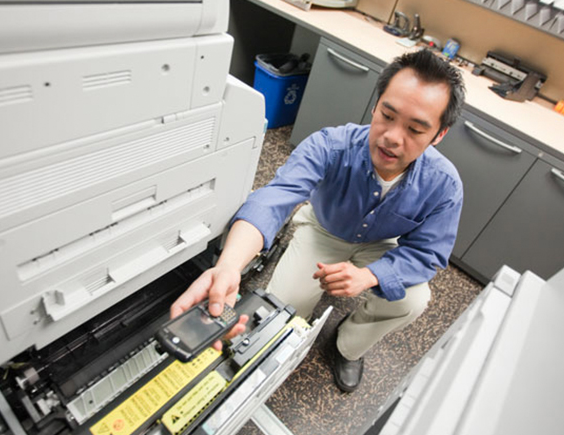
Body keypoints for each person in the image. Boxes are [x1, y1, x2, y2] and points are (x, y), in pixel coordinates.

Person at [170, 48, 465, 392]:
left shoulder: (445, 185)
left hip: (382, 246)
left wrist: (370, 276)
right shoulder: (330, 145)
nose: (392, 137)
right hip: (325, 229)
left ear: (439, 134)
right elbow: (273, 200)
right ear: (376, 104)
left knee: (413, 301)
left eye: (415, 129)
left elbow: (427, 253)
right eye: (387, 115)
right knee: (280, 309)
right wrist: (229, 266)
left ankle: (347, 344)